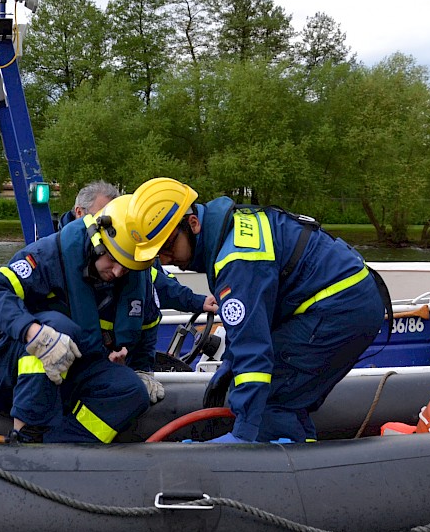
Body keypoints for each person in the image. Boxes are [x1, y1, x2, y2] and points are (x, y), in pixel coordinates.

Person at [152, 179, 386, 444]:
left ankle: (278, 459)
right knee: (283, 392)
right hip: (344, 298)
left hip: (340, 307)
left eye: (168, 247)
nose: (166, 259)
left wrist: (243, 436)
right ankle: (298, 450)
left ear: (193, 224)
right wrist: (229, 368)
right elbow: (252, 326)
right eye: (157, 254)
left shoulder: (236, 261)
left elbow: (254, 351)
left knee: (274, 393)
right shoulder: (230, 233)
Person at [0, 183, 188, 443]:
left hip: (72, 356)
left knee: (131, 391)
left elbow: (148, 324)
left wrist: (142, 370)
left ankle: (65, 444)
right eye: (113, 261)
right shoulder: (48, 255)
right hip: (0, 348)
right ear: (96, 243)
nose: (117, 272)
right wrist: (33, 332)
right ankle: (26, 435)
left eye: (126, 267)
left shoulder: (134, 275)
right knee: (59, 330)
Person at [60, 180, 217, 315]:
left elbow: (157, 282)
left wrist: (198, 302)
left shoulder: (132, 250)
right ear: (79, 213)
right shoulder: (57, 254)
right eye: (100, 218)